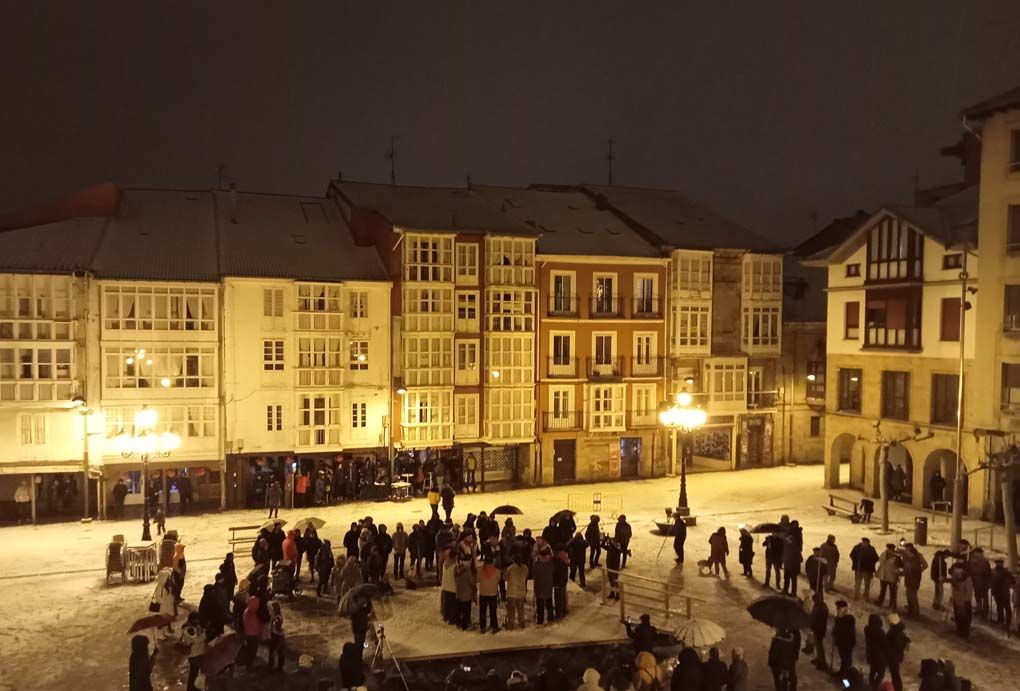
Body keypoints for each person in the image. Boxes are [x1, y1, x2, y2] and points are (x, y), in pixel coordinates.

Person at [178, 613, 206, 690]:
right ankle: (190, 688)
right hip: (193, 654)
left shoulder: (193, 627)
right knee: (193, 672)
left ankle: (191, 687)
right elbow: (195, 640)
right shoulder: (189, 629)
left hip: (196, 653)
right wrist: (204, 635)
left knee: (194, 671)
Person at [900, 543, 927, 617]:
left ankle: (914, 613)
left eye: (907, 549)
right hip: (908, 578)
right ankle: (911, 610)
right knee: (909, 594)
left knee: (912, 595)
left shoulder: (917, 557)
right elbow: (903, 565)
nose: (906, 550)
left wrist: (918, 571)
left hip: (914, 578)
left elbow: (925, 565)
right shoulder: (906, 557)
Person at [950, 559, 974, 638]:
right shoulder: (956, 576)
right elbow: (954, 586)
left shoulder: (967, 579)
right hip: (957, 600)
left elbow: (969, 592)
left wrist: (965, 601)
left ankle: (964, 631)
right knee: (958, 616)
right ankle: (959, 629)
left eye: (958, 568)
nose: (956, 570)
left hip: (963, 601)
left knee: (964, 617)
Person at [832, 600, 856, 678]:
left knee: (846, 661)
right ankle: (841, 673)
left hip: (846, 644)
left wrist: (838, 618)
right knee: (843, 660)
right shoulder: (841, 618)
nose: (837, 610)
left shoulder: (849, 618)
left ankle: (846, 681)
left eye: (839, 608)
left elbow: (842, 629)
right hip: (842, 643)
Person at [849, 537, 879, 601]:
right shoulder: (857, 548)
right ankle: (856, 595)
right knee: (857, 583)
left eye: (866, 543)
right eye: (864, 542)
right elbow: (851, 555)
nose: (865, 544)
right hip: (858, 569)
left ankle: (866, 595)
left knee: (867, 584)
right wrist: (856, 561)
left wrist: (870, 563)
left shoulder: (871, 549)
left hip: (867, 570)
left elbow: (876, 558)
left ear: (868, 543)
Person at [505, 555, 529, 630]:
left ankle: (511, 625)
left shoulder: (510, 568)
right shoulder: (525, 568)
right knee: (521, 609)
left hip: (512, 592)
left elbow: (505, 577)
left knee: (511, 610)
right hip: (521, 591)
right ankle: (522, 624)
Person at [478, 554, 500, 633]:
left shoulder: (480, 571)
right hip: (493, 593)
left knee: (482, 611)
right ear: (492, 562)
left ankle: (482, 627)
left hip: (483, 593)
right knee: (493, 611)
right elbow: (499, 579)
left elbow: (477, 579)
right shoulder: (496, 571)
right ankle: (494, 626)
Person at [875, 544, 902, 610]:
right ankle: (880, 601)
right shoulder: (883, 554)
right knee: (882, 590)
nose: (889, 550)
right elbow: (880, 561)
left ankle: (892, 605)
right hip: (884, 575)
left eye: (891, 549)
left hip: (892, 577)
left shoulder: (897, 558)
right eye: (888, 549)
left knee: (893, 592)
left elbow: (901, 566)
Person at [885, 613, 907, 691]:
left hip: (894, 657)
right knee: (895, 674)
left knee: (895, 674)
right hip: (896, 656)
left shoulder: (895, 632)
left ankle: (898, 688)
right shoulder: (898, 630)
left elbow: (894, 645)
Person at [242, 593, 265, 670]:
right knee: (253, 650)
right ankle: (250, 665)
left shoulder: (246, 611)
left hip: (247, 633)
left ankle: (249, 663)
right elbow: (257, 625)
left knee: (250, 649)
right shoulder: (254, 614)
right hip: (254, 635)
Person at [533, 548, 555, 625]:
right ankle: (551, 617)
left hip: (539, 586)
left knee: (540, 604)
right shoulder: (550, 563)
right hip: (548, 585)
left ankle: (540, 619)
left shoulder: (537, 565)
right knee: (549, 602)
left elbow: (534, 574)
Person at [863, 613, 886, 689]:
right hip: (879, 656)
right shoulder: (880, 633)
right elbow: (884, 644)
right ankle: (875, 687)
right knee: (881, 673)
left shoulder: (867, 629)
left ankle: (871, 684)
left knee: (872, 670)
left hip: (870, 654)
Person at [991, 557, 1015, 629]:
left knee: (1006, 607)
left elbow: (1013, 582)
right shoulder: (993, 572)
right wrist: (992, 589)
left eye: (1000, 563)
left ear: (1002, 564)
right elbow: (992, 582)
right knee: (999, 607)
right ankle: (1001, 620)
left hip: (1004, 593)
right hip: (998, 592)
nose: (999, 564)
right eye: (998, 563)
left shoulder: (1006, 573)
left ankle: (1008, 621)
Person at [454, 555, 476, 630]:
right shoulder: (468, 571)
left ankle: (458, 623)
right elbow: (472, 582)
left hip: (458, 593)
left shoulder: (457, 569)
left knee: (459, 610)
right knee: (466, 612)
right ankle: (465, 625)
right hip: (466, 595)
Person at [969, 547, 992, 619]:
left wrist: (988, 583)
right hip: (976, 582)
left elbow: (988, 573)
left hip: (983, 582)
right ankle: (979, 610)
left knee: (983, 598)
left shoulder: (983, 562)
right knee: (978, 597)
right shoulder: (972, 560)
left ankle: (984, 613)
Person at [809, 594, 829, 670]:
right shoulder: (817, 606)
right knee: (817, 645)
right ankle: (818, 658)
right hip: (816, 628)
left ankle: (822, 662)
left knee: (819, 646)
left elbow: (819, 619)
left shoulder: (822, 608)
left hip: (819, 629)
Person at [268, 601, 285, 673]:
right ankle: (280, 666)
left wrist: (272, 632)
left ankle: (271, 667)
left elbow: (276, 627)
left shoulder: (276, 618)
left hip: (276, 636)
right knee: (280, 651)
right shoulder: (279, 615)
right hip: (280, 635)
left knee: (273, 651)